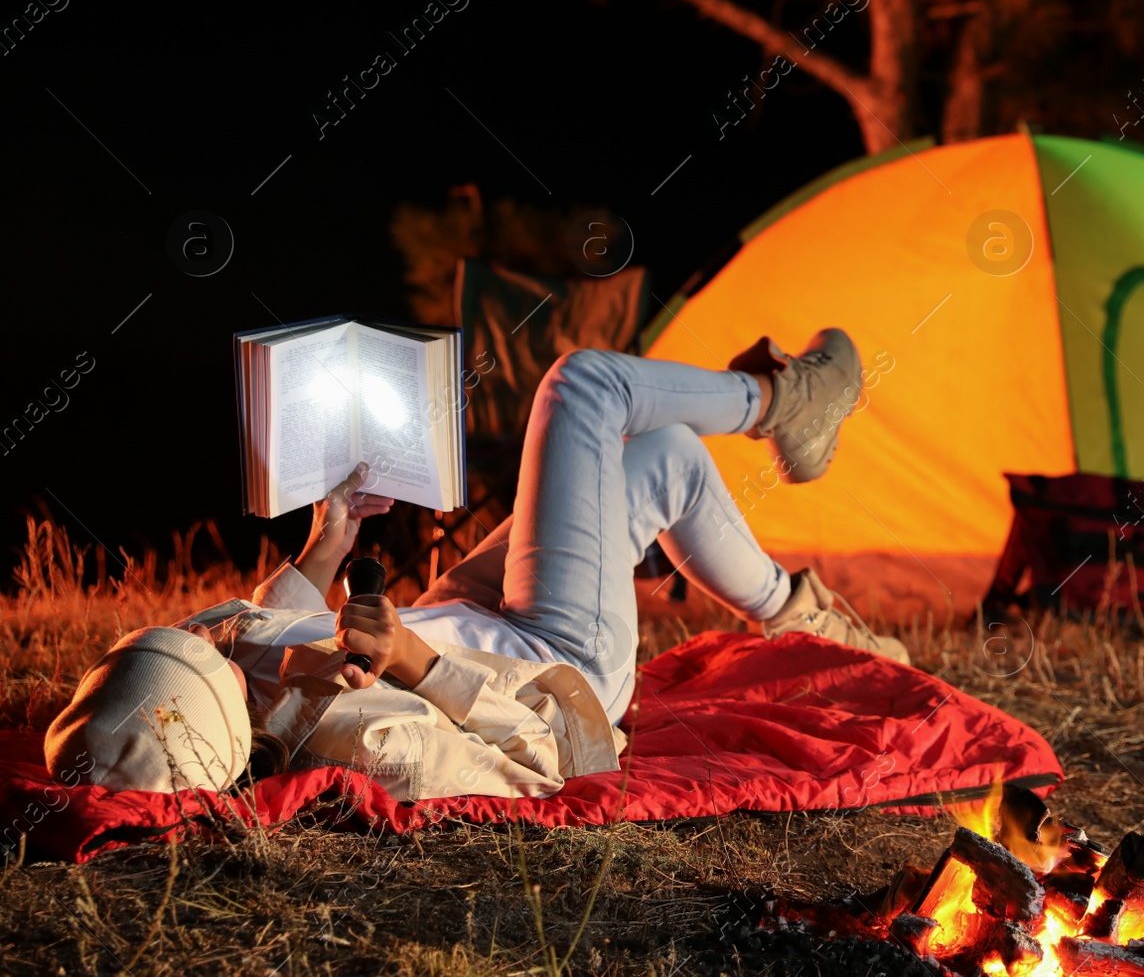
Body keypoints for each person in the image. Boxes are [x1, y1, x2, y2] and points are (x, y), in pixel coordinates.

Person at [44, 330, 909, 799]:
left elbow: (262, 622)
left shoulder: (173, 672)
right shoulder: (362, 739)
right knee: (582, 386)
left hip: (467, 608)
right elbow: (552, 758)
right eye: (216, 663)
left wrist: (329, 541)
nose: (212, 643)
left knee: (669, 454)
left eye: (195, 643)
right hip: (553, 661)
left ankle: (804, 618)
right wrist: (418, 665)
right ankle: (783, 400)